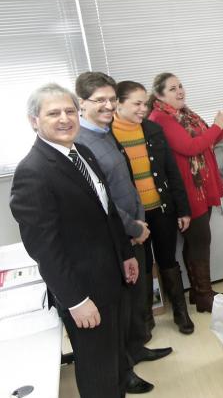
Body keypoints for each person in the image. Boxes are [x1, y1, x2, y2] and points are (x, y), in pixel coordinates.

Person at [10, 83, 140, 396]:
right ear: (34, 121)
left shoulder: (80, 152)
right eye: (53, 113)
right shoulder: (33, 172)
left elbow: (106, 212)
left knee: (115, 361)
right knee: (98, 370)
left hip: (111, 278)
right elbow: (45, 249)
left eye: (69, 111)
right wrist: (76, 301)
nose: (65, 118)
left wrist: (125, 254)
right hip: (84, 292)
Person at [74, 72, 172, 385]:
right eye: (99, 100)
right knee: (119, 307)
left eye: (111, 99)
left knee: (135, 300)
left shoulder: (105, 132)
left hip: (133, 228)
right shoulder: (80, 142)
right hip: (118, 236)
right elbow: (101, 201)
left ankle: (135, 349)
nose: (107, 105)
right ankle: (124, 372)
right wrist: (133, 227)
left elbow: (125, 183)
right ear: (82, 103)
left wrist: (139, 221)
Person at [147, 72, 223, 312]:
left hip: (201, 185)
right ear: (158, 95)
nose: (180, 91)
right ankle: (204, 296)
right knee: (200, 241)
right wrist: (218, 125)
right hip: (189, 190)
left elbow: (207, 139)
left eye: (180, 86)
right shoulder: (161, 118)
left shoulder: (184, 114)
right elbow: (191, 147)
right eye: (172, 89)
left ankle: (200, 293)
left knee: (196, 242)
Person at [113, 80, 195, 335]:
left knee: (168, 259)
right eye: (136, 104)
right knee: (143, 265)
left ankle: (180, 312)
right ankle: (145, 319)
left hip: (161, 209)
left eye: (144, 104)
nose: (142, 109)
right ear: (118, 103)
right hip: (132, 217)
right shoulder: (108, 136)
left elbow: (171, 172)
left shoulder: (152, 130)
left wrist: (183, 209)